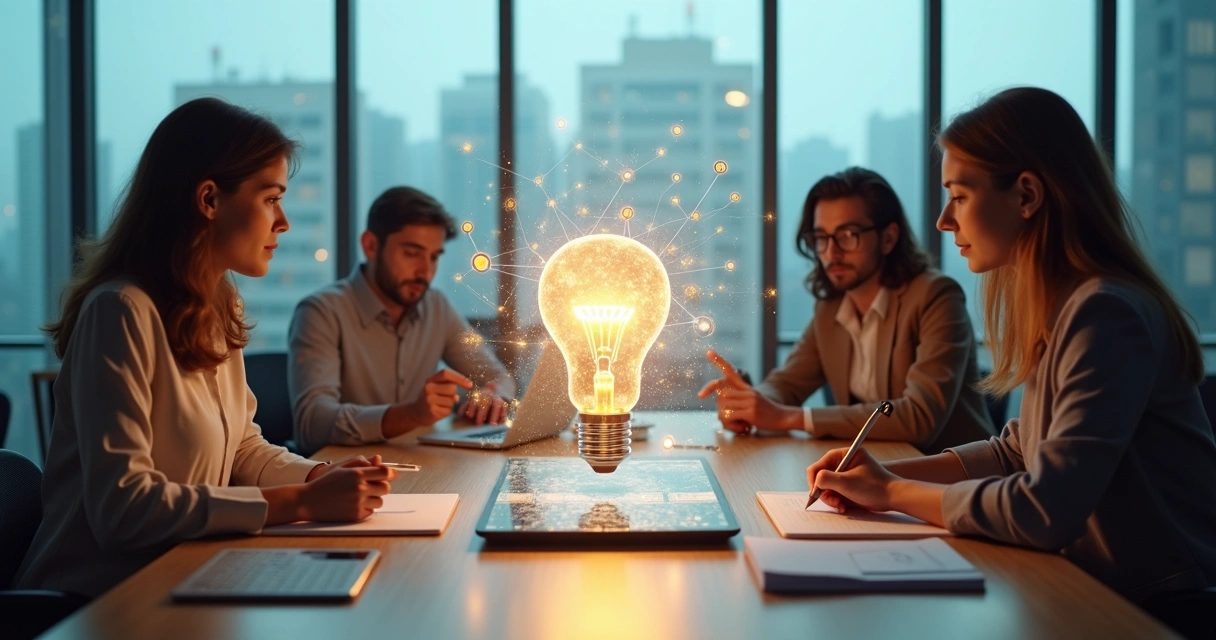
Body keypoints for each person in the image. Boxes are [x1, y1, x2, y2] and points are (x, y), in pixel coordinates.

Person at [806, 87, 1216, 602]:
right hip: (1092, 588)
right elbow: (1016, 451)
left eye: (959, 195)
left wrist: (890, 492)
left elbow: (1045, 508)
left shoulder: (1105, 314)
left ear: (1026, 195)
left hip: (1158, 605)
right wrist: (881, 473)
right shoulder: (1067, 307)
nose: (943, 220)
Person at [14, 98, 395, 599]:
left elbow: (242, 448)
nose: (283, 223)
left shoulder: (215, 308)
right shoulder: (121, 311)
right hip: (96, 602)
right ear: (210, 200)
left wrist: (324, 475)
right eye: (270, 199)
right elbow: (122, 510)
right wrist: (298, 502)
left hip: (188, 573)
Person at [699, 167, 993, 453]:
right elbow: (787, 383)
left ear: (889, 238)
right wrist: (749, 403)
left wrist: (788, 417)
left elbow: (920, 417)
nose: (831, 252)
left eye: (848, 235)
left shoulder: (936, 297)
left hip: (957, 482)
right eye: (821, 238)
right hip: (877, 471)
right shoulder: (831, 308)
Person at [289, 186, 516, 456]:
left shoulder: (437, 307)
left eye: (433, 257)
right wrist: (410, 415)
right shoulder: (321, 312)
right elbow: (311, 422)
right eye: (412, 253)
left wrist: (495, 397)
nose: (425, 271)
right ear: (371, 245)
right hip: (343, 474)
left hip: (417, 463)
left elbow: (498, 376)